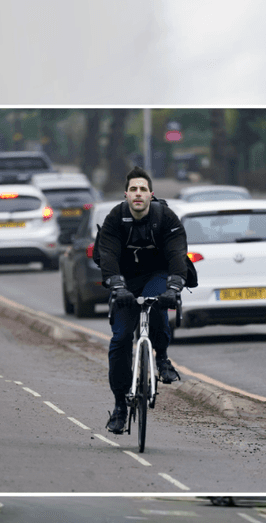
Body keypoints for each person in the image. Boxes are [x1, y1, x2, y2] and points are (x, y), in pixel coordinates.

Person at [96, 166, 189, 434]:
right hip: (124, 280)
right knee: (121, 339)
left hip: (157, 274)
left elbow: (177, 254)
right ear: (126, 194)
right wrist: (117, 286)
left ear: (151, 194)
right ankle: (119, 407)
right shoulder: (115, 218)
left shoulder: (165, 217)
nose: (138, 194)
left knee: (156, 302)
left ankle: (162, 358)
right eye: (133, 189)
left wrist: (173, 287)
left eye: (143, 189)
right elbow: (108, 255)